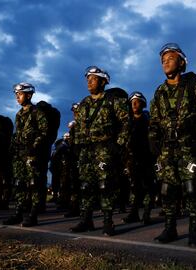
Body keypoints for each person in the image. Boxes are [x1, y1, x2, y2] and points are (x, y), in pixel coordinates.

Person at [149, 43, 196, 247]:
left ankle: (194, 232)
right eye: (163, 60)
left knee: (192, 189)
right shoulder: (159, 92)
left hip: (188, 145)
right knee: (167, 190)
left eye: (170, 58)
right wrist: (153, 140)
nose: (165, 62)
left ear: (182, 62)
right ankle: (170, 228)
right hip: (167, 148)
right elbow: (154, 121)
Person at [70, 66, 130, 236]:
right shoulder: (84, 103)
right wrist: (77, 147)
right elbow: (80, 127)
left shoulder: (113, 101)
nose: (89, 81)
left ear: (103, 82)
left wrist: (118, 145)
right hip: (86, 152)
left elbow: (126, 124)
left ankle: (107, 221)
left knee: (106, 186)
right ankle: (86, 220)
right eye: (88, 78)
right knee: (85, 186)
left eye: (93, 78)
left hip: (105, 150)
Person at [3, 83, 48, 227]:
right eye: (16, 94)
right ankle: (18, 214)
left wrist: (33, 148)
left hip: (32, 154)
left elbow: (44, 133)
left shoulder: (37, 112)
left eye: (20, 94)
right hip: (19, 154)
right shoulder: (19, 114)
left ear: (29, 95)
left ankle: (33, 215)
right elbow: (18, 134)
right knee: (19, 184)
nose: (17, 96)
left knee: (33, 184)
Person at [123, 91, 155, 225]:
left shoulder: (148, 121)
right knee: (134, 187)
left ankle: (146, 214)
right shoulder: (127, 122)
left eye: (137, 102)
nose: (134, 104)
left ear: (143, 104)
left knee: (147, 186)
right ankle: (134, 213)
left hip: (147, 158)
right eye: (132, 102)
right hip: (131, 159)